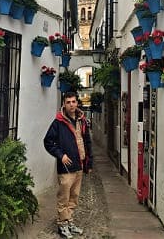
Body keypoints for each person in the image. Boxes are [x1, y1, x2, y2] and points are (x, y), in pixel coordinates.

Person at [44, 91, 93, 238]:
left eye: (73, 102)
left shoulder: (82, 121)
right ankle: (62, 224)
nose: (71, 104)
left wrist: (89, 164)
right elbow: (48, 142)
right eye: (68, 102)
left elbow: (87, 142)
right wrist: (61, 155)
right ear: (64, 104)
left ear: (77, 103)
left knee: (74, 197)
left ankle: (69, 221)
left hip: (79, 165)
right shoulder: (58, 122)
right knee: (63, 197)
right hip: (66, 167)